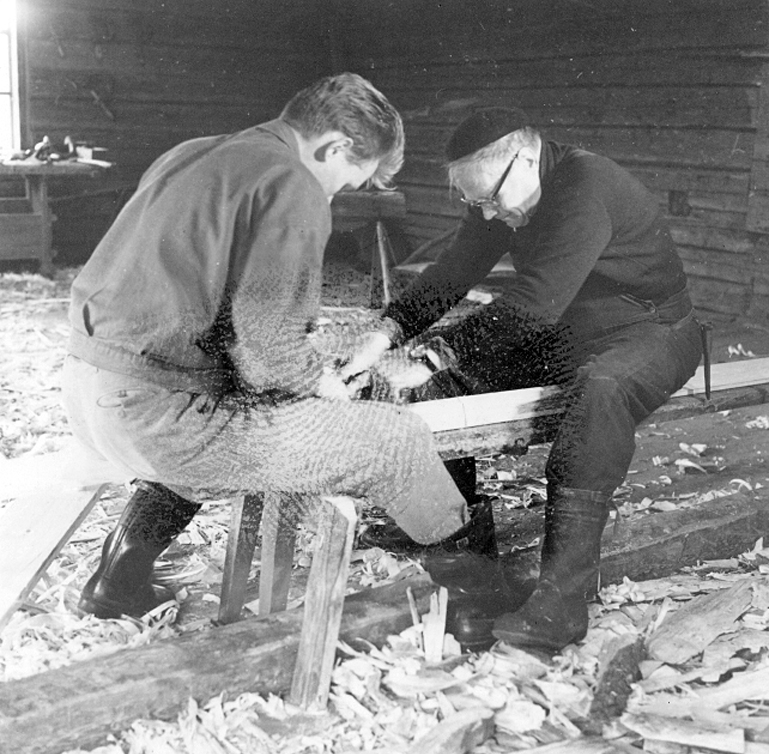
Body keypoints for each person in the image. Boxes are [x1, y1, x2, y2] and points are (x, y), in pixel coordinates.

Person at [62, 73, 495, 621]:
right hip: (153, 414)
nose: (335, 196)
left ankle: (115, 583)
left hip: (90, 392)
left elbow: (224, 322)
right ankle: (483, 607)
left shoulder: (194, 153)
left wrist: (302, 364)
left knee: (232, 409)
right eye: (347, 184)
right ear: (334, 146)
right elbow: (269, 351)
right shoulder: (292, 181)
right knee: (396, 440)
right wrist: (323, 384)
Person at [343, 106, 703, 652]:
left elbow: (533, 303)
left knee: (600, 391)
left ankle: (561, 603)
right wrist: (383, 336)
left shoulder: (586, 187)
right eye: (475, 205)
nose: (487, 215)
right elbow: (453, 271)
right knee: (440, 387)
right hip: (567, 328)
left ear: (526, 157)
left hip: (649, 329)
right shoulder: (502, 195)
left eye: (490, 200)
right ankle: (471, 570)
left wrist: (436, 353)